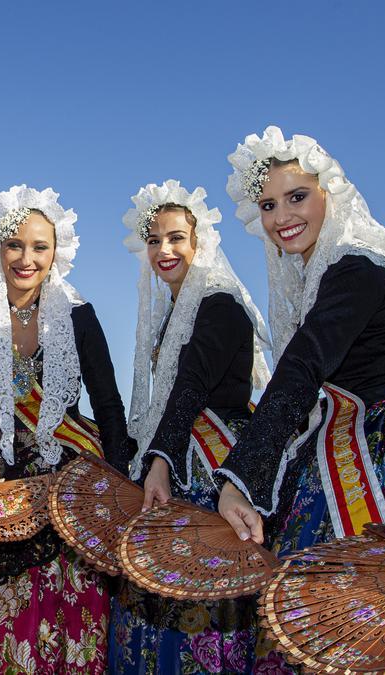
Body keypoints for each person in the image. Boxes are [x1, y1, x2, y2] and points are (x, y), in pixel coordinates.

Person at [216, 127, 385, 672]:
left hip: (378, 468)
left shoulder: (353, 266)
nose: (282, 215)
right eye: (268, 204)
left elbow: (302, 367)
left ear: (331, 192)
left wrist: (242, 475)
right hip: (352, 453)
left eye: (297, 196)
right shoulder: (326, 268)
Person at [0, 185, 130, 674]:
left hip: (63, 462)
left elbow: (107, 402)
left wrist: (122, 480)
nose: (26, 258)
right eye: (15, 245)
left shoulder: (79, 316)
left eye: (40, 246)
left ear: (57, 252)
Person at [109, 179, 271, 673]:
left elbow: (192, 386)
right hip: (181, 453)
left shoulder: (218, 303)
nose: (164, 249)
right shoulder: (175, 313)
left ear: (200, 244)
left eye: (176, 237)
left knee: (202, 595)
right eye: (155, 239)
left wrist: (158, 459)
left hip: (211, 468)